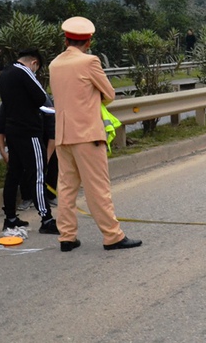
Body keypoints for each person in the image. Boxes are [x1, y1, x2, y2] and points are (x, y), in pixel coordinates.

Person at [49, 16, 141, 251]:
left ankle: (67, 237)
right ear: (88, 41)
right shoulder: (90, 62)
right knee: (97, 188)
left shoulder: (54, 64)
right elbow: (109, 93)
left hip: (62, 135)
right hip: (87, 135)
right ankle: (112, 236)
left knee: (67, 188)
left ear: (65, 40)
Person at [0, 48, 58, 234]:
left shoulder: (5, 74)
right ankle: (46, 219)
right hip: (29, 131)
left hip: (12, 131)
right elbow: (40, 97)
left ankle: (10, 218)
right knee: (38, 174)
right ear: (34, 63)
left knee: (13, 174)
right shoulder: (24, 71)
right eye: (36, 68)